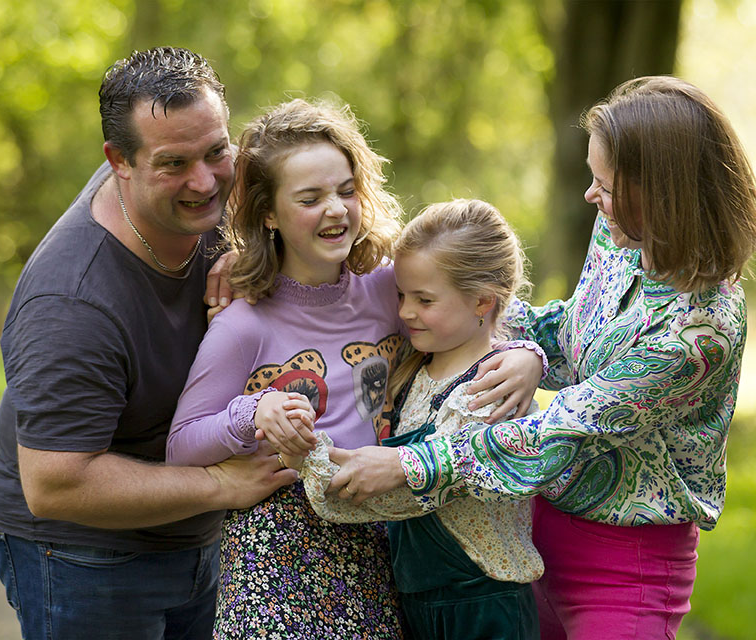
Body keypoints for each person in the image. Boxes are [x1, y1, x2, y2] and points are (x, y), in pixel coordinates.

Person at [325, 75, 756, 639]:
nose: (591, 196)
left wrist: (408, 464)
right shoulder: (621, 233)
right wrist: (533, 351)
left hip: (625, 568)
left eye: (605, 185)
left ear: (660, 193)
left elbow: (565, 428)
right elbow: (577, 326)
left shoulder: (701, 331)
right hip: (533, 537)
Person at [166, 99, 545, 638]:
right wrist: (253, 412)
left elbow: (483, 311)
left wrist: (529, 356)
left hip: (383, 544)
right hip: (277, 561)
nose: (336, 209)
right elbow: (182, 445)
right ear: (268, 213)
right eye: (310, 198)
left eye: (346, 191)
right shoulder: (243, 324)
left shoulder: (388, 290)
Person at [0, 47, 298, 640]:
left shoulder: (218, 205)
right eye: (174, 164)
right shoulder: (72, 303)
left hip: (195, 528)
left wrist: (254, 253)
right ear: (117, 162)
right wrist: (222, 486)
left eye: (216, 152)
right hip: (82, 556)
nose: (205, 182)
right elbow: (55, 483)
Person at [298, 198, 544, 640]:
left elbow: (413, 492)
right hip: (417, 603)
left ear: (482, 301)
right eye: (401, 296)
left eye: (424, 299)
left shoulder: (495, 385)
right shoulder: (413, 368)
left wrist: (314, 464)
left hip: (483, 606)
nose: (406, 312)